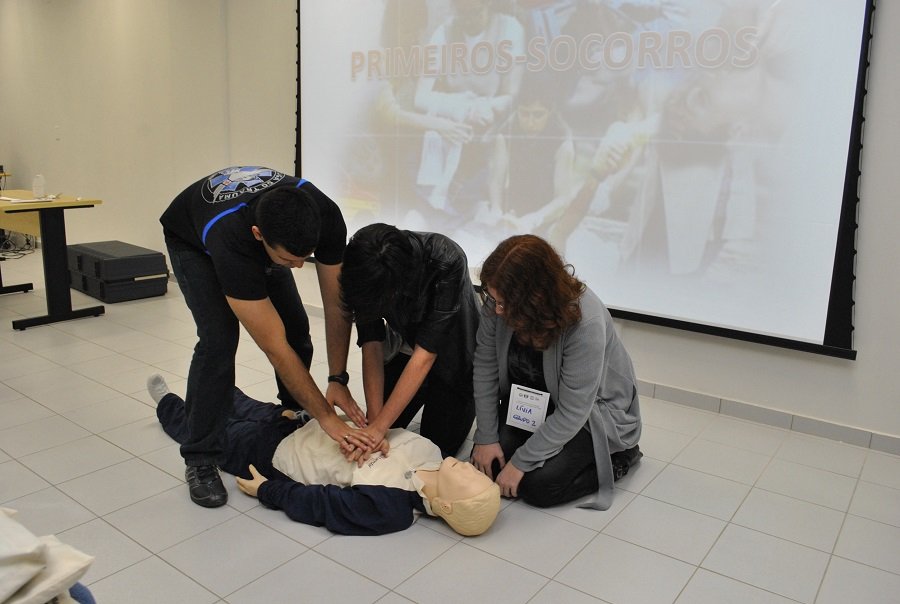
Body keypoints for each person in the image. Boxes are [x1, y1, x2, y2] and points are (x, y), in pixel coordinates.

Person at [159, 166, 371, 509]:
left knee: (297, 328)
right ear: (259, 235)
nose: (300, 268)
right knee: (218, 340)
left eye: (306, 258)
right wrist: (327, 418)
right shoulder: (230, 238)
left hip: (251, 232)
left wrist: (337, 378)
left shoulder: (326, 215)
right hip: (193, 239)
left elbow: (337, 307)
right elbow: (274, 347)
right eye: (290, 260)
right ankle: (200, 458)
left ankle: (293, 411)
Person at [149, 375, 501, 537]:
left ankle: (167, 404)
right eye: (479, 474)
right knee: (236, 401)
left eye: (469, 482)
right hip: (307, 424)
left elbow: (324, 505)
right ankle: (205, 385)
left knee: (209, 430)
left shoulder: (392, 508)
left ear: (447, 506)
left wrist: (267, 491)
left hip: (274, 455)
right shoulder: (432, 451)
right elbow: (381, 432)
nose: (473, 470)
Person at [470, 234, 642, 510]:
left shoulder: (585, 321)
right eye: (493, 299)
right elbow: (485, 368)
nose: (497, 310)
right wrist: (486, 437)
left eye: (505, 304)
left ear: (535, 298)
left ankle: (621, 457)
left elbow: (574, 410)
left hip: (589, 415)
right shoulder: (498, 299)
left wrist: (521, 462)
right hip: (532, 403)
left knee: (538, 487)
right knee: (488, 465)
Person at [339, 223, 480, 459]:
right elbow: (372, 345)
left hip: (454, 356)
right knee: (381, 423)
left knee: (434, 448)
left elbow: (425, 355)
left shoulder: (445, 259)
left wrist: (379, 429)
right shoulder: (362, 264)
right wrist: (375, 422)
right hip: (407, 350)